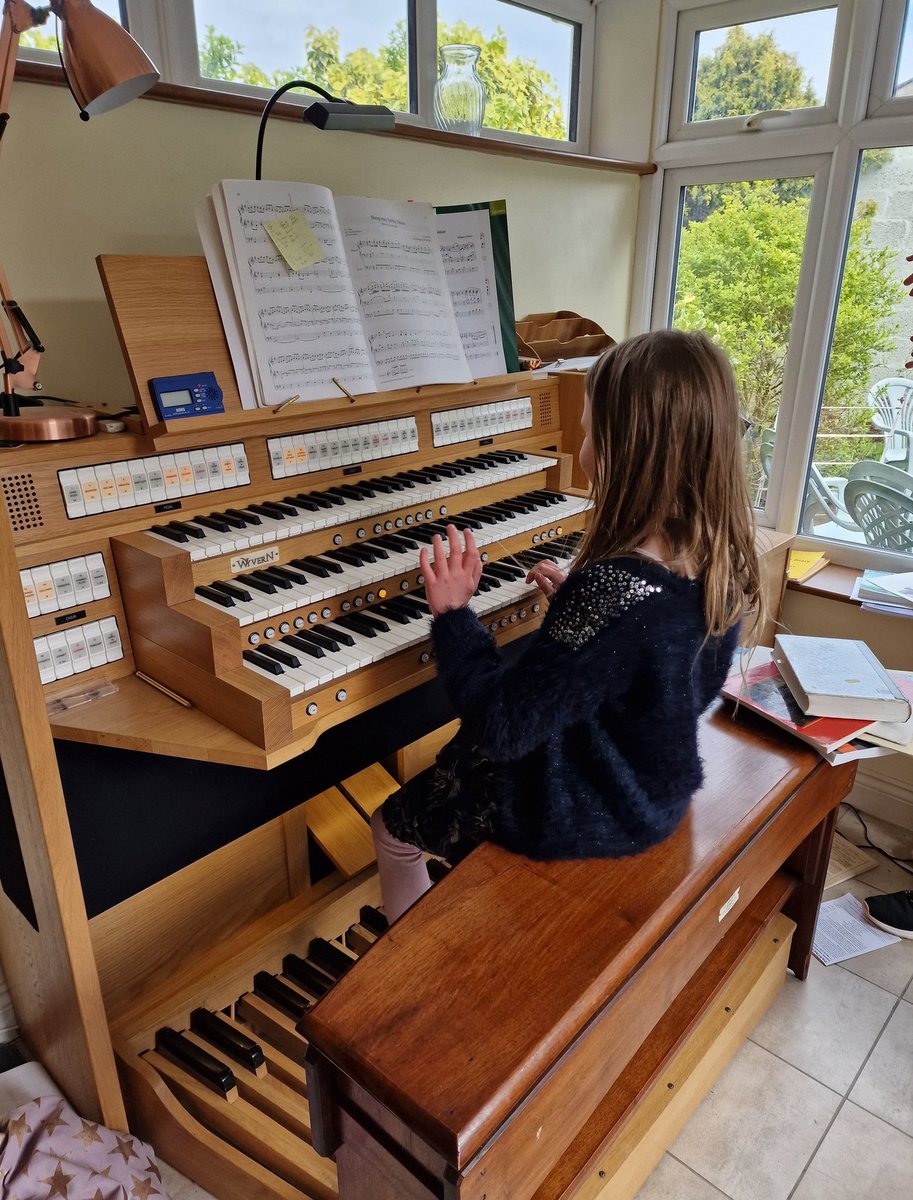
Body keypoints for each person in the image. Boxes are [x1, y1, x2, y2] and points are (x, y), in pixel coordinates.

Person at [371, 329, 764, 922]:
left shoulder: (613, 589)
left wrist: (455, 615)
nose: (580, 450)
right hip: (651, 792)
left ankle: (417, 961)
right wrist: (584, 632)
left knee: (390, 827)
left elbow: (500, 727)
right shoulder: (719, 565)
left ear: (625, 453)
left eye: (588, 433)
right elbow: (657, 675)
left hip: (578, 808)